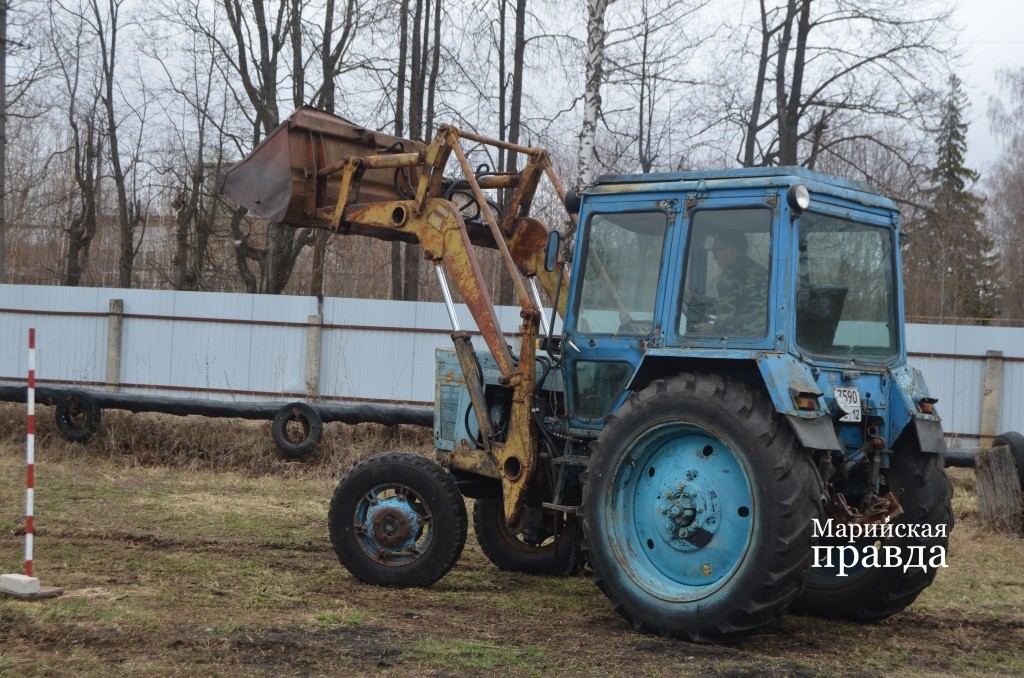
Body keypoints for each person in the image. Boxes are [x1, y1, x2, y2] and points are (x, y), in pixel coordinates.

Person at [691, 229, 769, 336]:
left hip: (744, 340)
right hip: (764, 339)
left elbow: (724, 326)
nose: (715, 258)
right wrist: (695, 298)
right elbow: (735, 305)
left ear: (731, 250)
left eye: (716, 252)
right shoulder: (761, 271)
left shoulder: (730, 277)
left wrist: (710, 329)